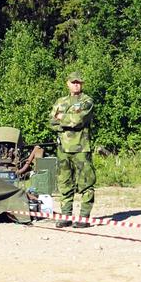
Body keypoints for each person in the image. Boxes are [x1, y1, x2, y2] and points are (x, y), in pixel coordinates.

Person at [49, 72, 96, 228]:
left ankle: (84, 217)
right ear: (67, 84)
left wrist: (62, 117)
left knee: (86, 183)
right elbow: (51, 121)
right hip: (63, 148)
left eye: (78, 82)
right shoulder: (60, 101)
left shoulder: (87, 101)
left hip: (81, 147)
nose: (76, 84)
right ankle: (66, 216)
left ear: (82, 84)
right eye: (73, 82)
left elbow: (78, 120)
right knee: (64, 183)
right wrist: (66, 119)